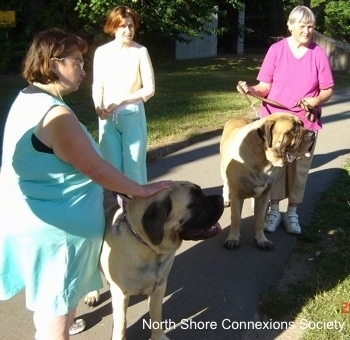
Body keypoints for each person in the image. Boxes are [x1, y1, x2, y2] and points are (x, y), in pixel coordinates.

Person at [0, 28, 171, 340]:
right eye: (77, 62)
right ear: (53, 64)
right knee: (57, 318)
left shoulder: (27, 98)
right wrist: (142, 190)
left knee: (51, 301)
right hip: (61, 236)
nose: (83, 69)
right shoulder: (56, 116)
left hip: (36, 219)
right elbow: (97, 169)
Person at [238, 6, 334, 234]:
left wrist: (314, 101)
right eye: (302, 26)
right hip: (276, 126)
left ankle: (292, 213)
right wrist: (250, 89)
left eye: (311, 26)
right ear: (290, 26)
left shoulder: (318, 54)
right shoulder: (276, 50)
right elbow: (265, 86)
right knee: (274, 169)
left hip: (304, 126)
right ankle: (273, 210)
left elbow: (327, 90)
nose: (307, 31)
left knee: (298, 171)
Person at [92, 5, 155, 186]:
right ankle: (118, 208)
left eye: (131, 26)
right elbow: (98, 84)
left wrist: (122, 100)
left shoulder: (140, 52)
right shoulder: (102, 52)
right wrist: (98, 107)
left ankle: (139, 208)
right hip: (107, 119)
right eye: (123, 26)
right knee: (111, 170)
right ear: (113, 27)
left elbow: (149, 89)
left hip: (132, 116)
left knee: (134, 168)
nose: (128, 30)